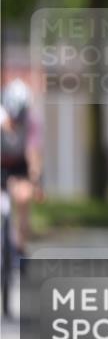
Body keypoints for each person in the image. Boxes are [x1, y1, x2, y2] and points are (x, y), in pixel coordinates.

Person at [1, 79, 43, 266]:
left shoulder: (31, 122)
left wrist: (35, 180)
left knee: (24, 197)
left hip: (19, 164)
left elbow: (33, 153)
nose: (16, 122)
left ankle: (20, 246)